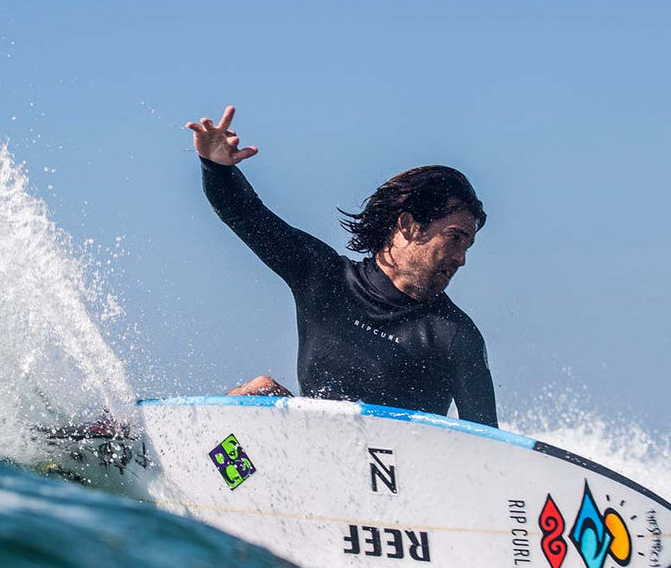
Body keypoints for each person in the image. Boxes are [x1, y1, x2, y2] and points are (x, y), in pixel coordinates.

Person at [187, 106, 498, 427]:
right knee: (258, 396)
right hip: (309, 454)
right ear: (409, 225)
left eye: (467, 245)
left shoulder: (455, 336)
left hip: (398, 472)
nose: (461, 258)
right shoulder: (324, 278)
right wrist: (215, 167)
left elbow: (488, 447)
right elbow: (246, 215)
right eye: (455, 238)